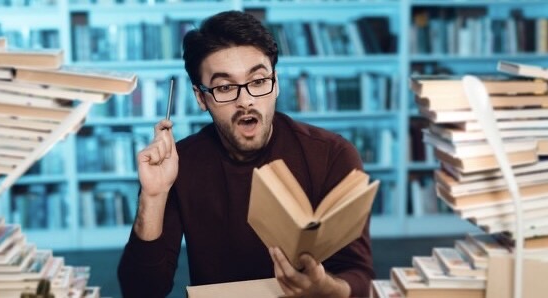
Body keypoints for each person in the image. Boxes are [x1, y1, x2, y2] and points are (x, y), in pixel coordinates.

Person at [118, 10, 374, 297]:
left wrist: (324, 288)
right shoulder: (178, 164)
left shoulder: (333, 155)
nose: (246, 100)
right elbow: (141, 291)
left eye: (258, 81)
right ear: (201, 97)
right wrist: (153, 197)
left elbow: (359, 276)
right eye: (225, 87)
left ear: (275, 84)